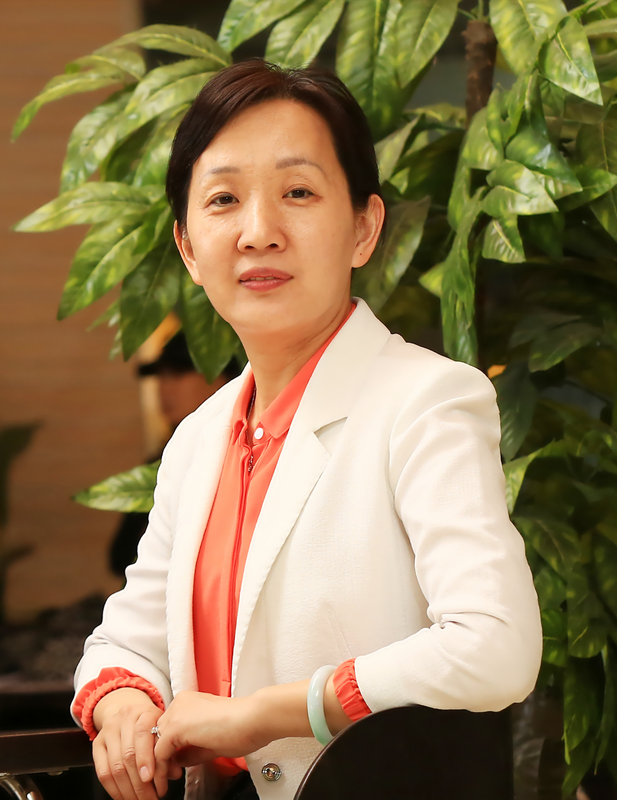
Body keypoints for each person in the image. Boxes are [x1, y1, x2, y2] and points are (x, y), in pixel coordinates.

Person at [71, 60, 542, 800]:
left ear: (363, 228)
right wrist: (124, 700)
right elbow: (128, 637)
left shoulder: (426, 401)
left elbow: (496, 645)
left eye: (298, 192)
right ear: (189, 248)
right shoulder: (198, 439)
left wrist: (267, 714)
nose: (259, 232)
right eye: (223, 199)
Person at [109, 334, 239, 578]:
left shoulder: (247, 453)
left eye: (178, 374)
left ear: (221, 377)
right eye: (161, 376)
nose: (165, 388)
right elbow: (122, 556)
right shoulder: (164, 462)